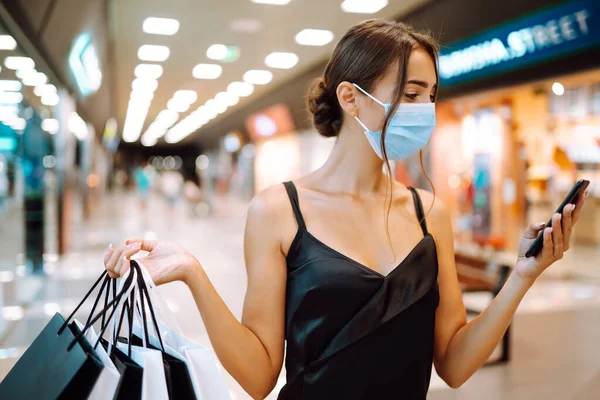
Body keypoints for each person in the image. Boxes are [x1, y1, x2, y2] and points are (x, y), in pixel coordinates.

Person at [104, 20, 587, 399]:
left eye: (431, 95)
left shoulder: (427, 213)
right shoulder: (279, 211)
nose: (425, 109)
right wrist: (193, 272)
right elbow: (257, 377)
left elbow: (454, 365)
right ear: (351, 98)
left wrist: (523, 276)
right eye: (411, 94)